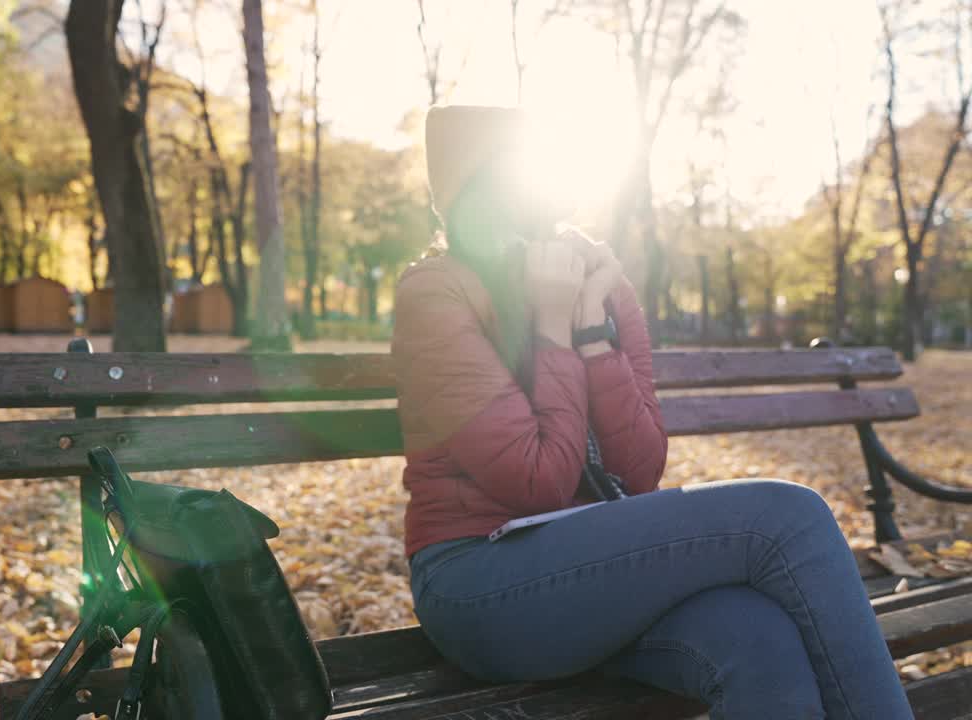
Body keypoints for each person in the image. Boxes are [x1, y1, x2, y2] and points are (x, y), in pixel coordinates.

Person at [391, 105, 913, 719]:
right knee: (788, 516)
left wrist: (591, 333)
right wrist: (553, 327)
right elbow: (537, 481)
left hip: (602, 578)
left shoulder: (601, 281)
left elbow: (639, 471)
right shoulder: (436, 292)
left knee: (759, 642)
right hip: (481, 585)